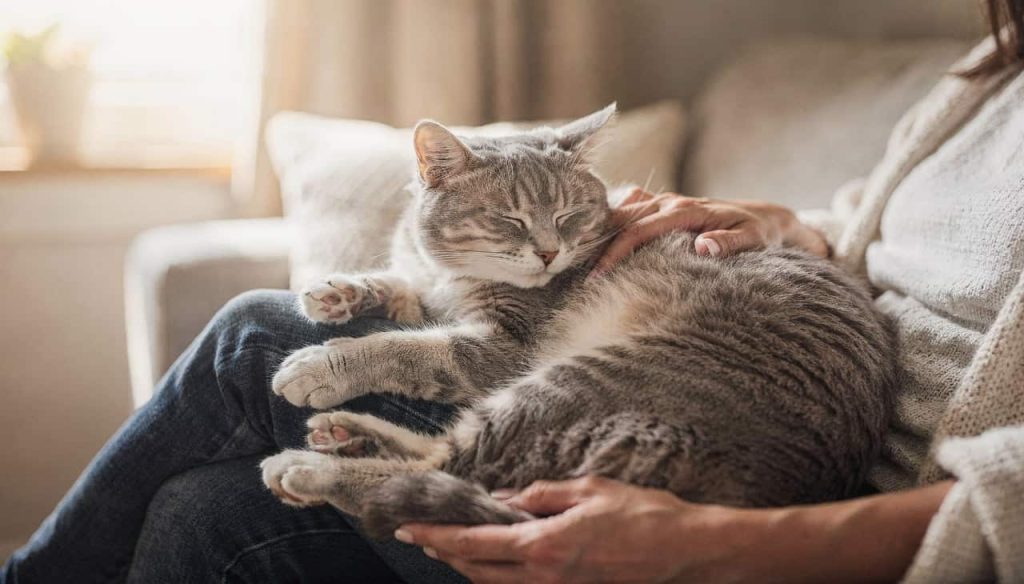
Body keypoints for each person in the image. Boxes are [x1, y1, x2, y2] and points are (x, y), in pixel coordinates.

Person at [3, 1, 1023, 581]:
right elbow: (870, 228)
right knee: (203, 513)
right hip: (749, 362)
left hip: (777, 479)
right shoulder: (988, 66)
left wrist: (710, 540)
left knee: (255, 338)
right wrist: (785, 223)